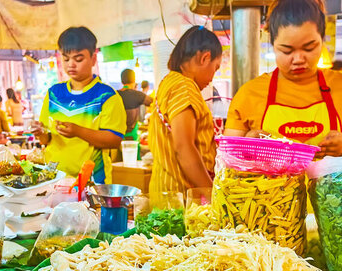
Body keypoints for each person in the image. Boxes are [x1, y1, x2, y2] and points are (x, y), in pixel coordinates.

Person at [225, 0, 342, 158]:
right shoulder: (248, 94)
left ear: (322, 39)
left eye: (309, 48)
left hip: (334, 183)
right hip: (269, 184)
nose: (298, 59)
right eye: (286, 50)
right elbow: (227, 157)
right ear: (273, 44)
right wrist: (248, 144)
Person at [31, 27, 126, 184]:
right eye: (66, 59)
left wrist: (78, 131)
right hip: (54, 177)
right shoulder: (54, 93)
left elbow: (114, 139)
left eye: (78, 59)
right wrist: (39, 132)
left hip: (92, 180)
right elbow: (47, 139)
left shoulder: (106, 96)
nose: (71, 65)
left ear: (93, 59)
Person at [148, 25, 221, 194]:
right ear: (205, 58)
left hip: (165, 191)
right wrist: (211, 195)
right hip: (179, 198)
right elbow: (184, 148)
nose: (211, 79)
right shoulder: (184, 86)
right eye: (215, 68)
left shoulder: (169, 81)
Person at [117, 69, 153, 140]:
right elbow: (154, 103)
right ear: (134, 81)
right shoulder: (137, 95)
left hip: (117, 137)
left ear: (122, 81)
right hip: (131, 138)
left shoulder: (115, 94)